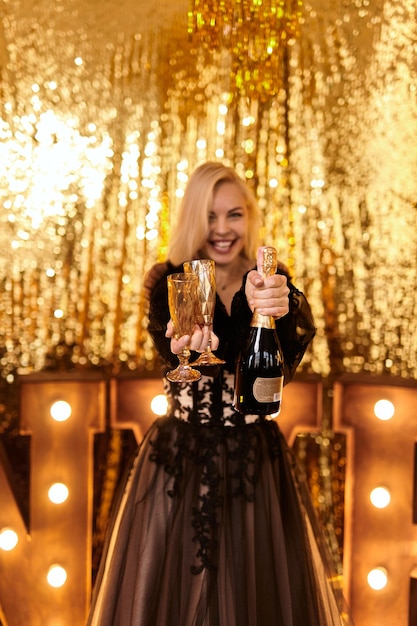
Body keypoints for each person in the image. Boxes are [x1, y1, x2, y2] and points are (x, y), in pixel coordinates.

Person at [87, 162, 351, 625]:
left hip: (256, 461)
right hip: (178, 458)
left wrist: (274, 308)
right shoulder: (169, 279)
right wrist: (179, 350)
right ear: (193, 218)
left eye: (234, 214)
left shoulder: (272, 282)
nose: (223, 228)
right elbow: (172, 355)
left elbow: (282, 363)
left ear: (249, 217)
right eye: (210, 216)